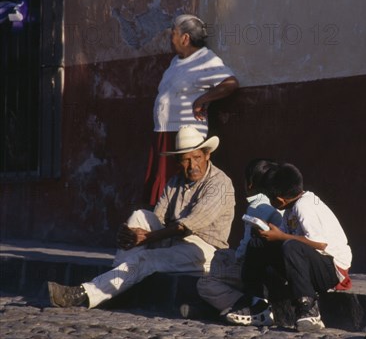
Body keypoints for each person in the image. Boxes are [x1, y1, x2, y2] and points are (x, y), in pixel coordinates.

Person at [47, 125, 236, 308]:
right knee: (139, 216)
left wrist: (147, 237)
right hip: (174, 241)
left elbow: (188, 225)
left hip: (205, 251)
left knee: (147, 258)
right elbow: (158, 217)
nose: (192, 165)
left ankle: (84, 294)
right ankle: (117, 288)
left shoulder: (219, 183)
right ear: (178, 161)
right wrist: (131, 232)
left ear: (207, 155)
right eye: (186, 160)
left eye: (197, 158)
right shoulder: (175, 181)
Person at [225, 163, 352, 332]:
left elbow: (320, 243)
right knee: (258, 243)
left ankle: (308, 308)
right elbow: (285, 236)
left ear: (279, 200)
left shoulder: (304, 206)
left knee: (291, 246)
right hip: (307, 263)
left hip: (332, 270)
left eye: (270, 198)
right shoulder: (291, 207)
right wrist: (268, 232)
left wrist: (282, 237)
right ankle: (257, 304)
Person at [143, 14, 239, 206]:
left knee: (179, 183)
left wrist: (203, 99)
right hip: (164, 132)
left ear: (185, 38)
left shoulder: (205, 59)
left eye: (173, 34)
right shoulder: (175, 62)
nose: (171, 39)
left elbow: (230, 83)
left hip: (185, 134)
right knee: (161, 184)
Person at [191, 158, 283, 324]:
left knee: (205, 283)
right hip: (273, 268)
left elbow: (245, 251)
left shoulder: (257, 206)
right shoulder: (280, 201)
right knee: (221, 255)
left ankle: (251, 305)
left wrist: (234, 260)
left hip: (256, 270)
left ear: (249, 184)